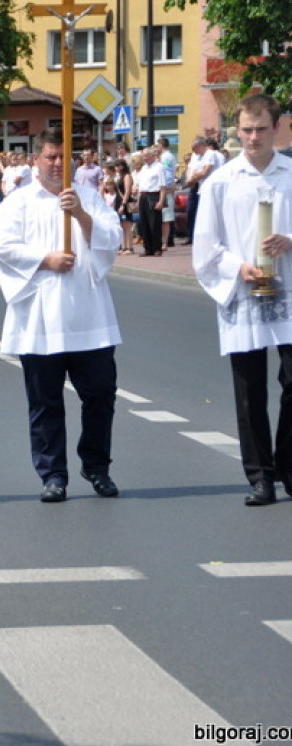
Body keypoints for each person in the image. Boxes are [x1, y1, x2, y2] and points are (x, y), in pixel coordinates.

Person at [0, 128, 124, 503]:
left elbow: (112, 238)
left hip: (88, 315)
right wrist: (45, 260)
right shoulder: (17, 202)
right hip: (41, 318)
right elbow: (2, 248)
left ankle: (97, 466)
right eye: (49, 156)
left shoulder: (87, 197)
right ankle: (52, 474)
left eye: (62, 157)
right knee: (45, 401)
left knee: (100, 394)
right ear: (36, 159)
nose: (56, 164)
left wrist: (81, 215)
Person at [192, 94, 292, 506]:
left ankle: (287, 463)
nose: (253, 137)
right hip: (245, 291)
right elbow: (205, 246)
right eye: (246, 130)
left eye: (261, 129)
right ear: (237, 130)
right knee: (250, 388)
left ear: (277, 128)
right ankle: (260, 475)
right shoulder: (221, 181)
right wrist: (238, 266)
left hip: (288, 290)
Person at [184, 136, 226, 245]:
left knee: (208, 212)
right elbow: (191, 168)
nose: (193, 152)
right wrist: (190, 179)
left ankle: (209, 237)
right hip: (198, 185)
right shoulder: (196, 155)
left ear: (201, 146)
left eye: (195, 148)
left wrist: (193, 178)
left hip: (210, 186)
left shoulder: (211, 154)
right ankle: (193, 236)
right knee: (192, 211)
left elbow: (205, 171)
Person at [133, 147, 165, 256]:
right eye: (143, 156)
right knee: (144, 223)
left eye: (146, 156)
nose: (144, 158)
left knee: (154, 223)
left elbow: (162, 186)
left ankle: (157, 248)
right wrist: (138, 200)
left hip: (154, 195)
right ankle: (147, 248)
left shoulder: (159, 167)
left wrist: (161, 201)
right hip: (143, 196)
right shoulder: (144, 168)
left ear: (152, 155)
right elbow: (141, 185)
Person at [157, 137, 177, 250]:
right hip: (164, 189)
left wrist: (167, 187)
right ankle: (162, 241)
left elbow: (168, 174)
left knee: (166, 219)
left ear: (161, 145)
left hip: (166, 190)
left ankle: (165, 243)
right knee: (162, 219)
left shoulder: (167, 157)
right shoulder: (164, 157)